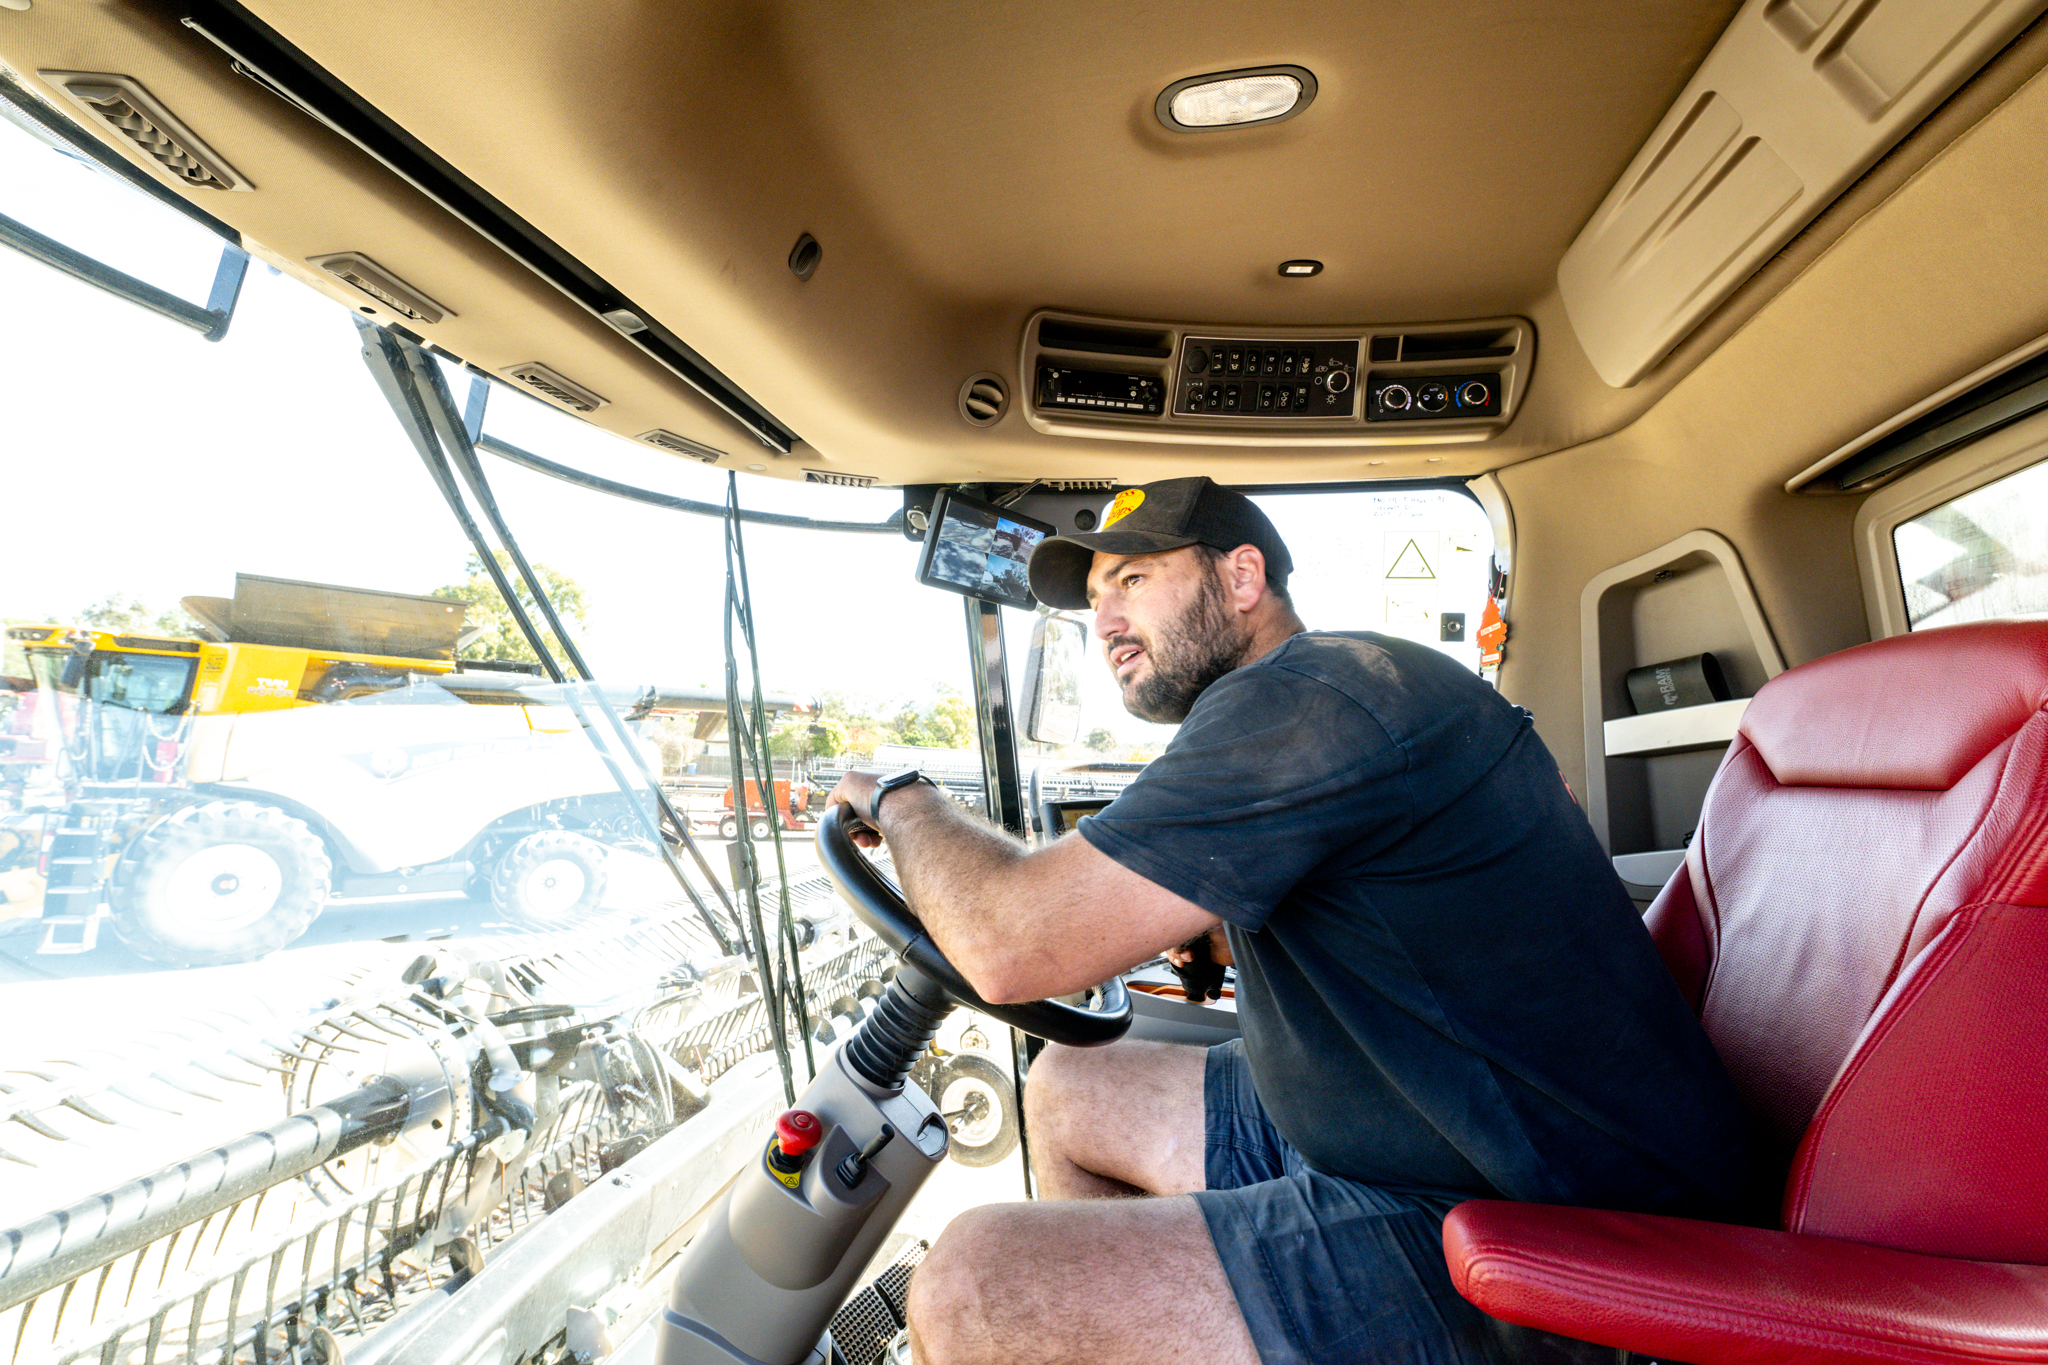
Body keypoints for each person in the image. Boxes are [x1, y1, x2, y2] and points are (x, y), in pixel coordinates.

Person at [826, 476, 1750, 1365]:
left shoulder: (1302, 703)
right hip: (1414, 1118)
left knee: (973, 1288)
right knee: (1072, 1085)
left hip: (1559, 1234)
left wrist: (902, 798)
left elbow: (1006, 943)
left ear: (1241, 578)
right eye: (1097, 596)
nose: (1105, 619)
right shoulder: (1334, 684)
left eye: (1135, 579)